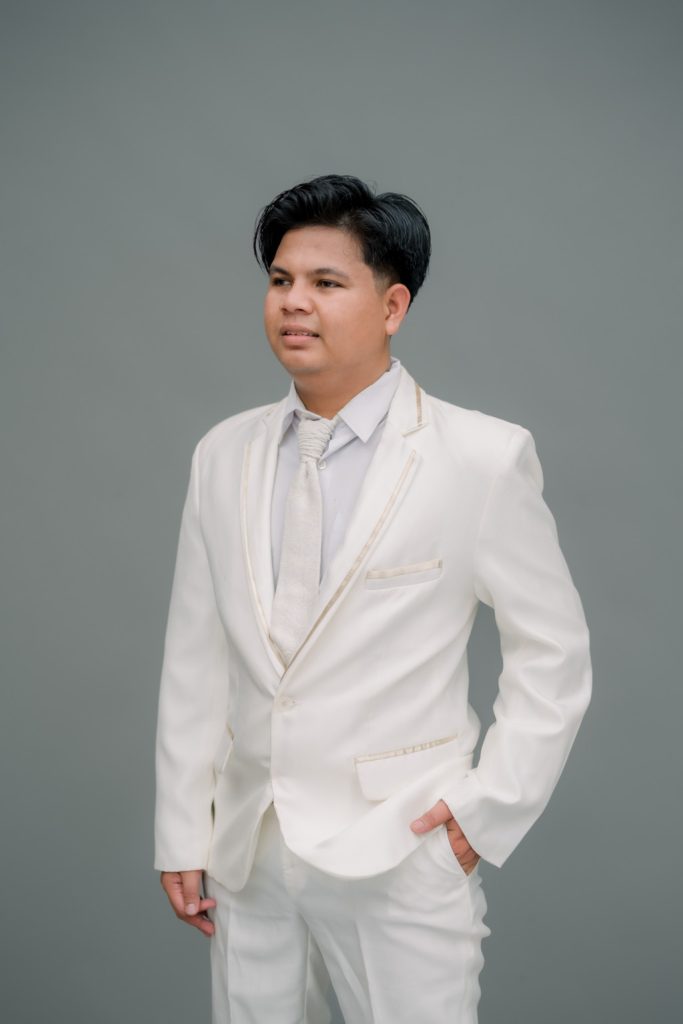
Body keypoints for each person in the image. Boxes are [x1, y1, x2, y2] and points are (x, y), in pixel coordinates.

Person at [154, 173, 592, 1023]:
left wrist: (484, 813)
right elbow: (195, 656)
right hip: (248, 853)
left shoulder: (479, 457)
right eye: (280, 280)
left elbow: (555, 654)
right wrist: (181, 827)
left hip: (399, 847)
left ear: (392, 306)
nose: (293, 302)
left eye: (325, 282)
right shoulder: (223, 453)